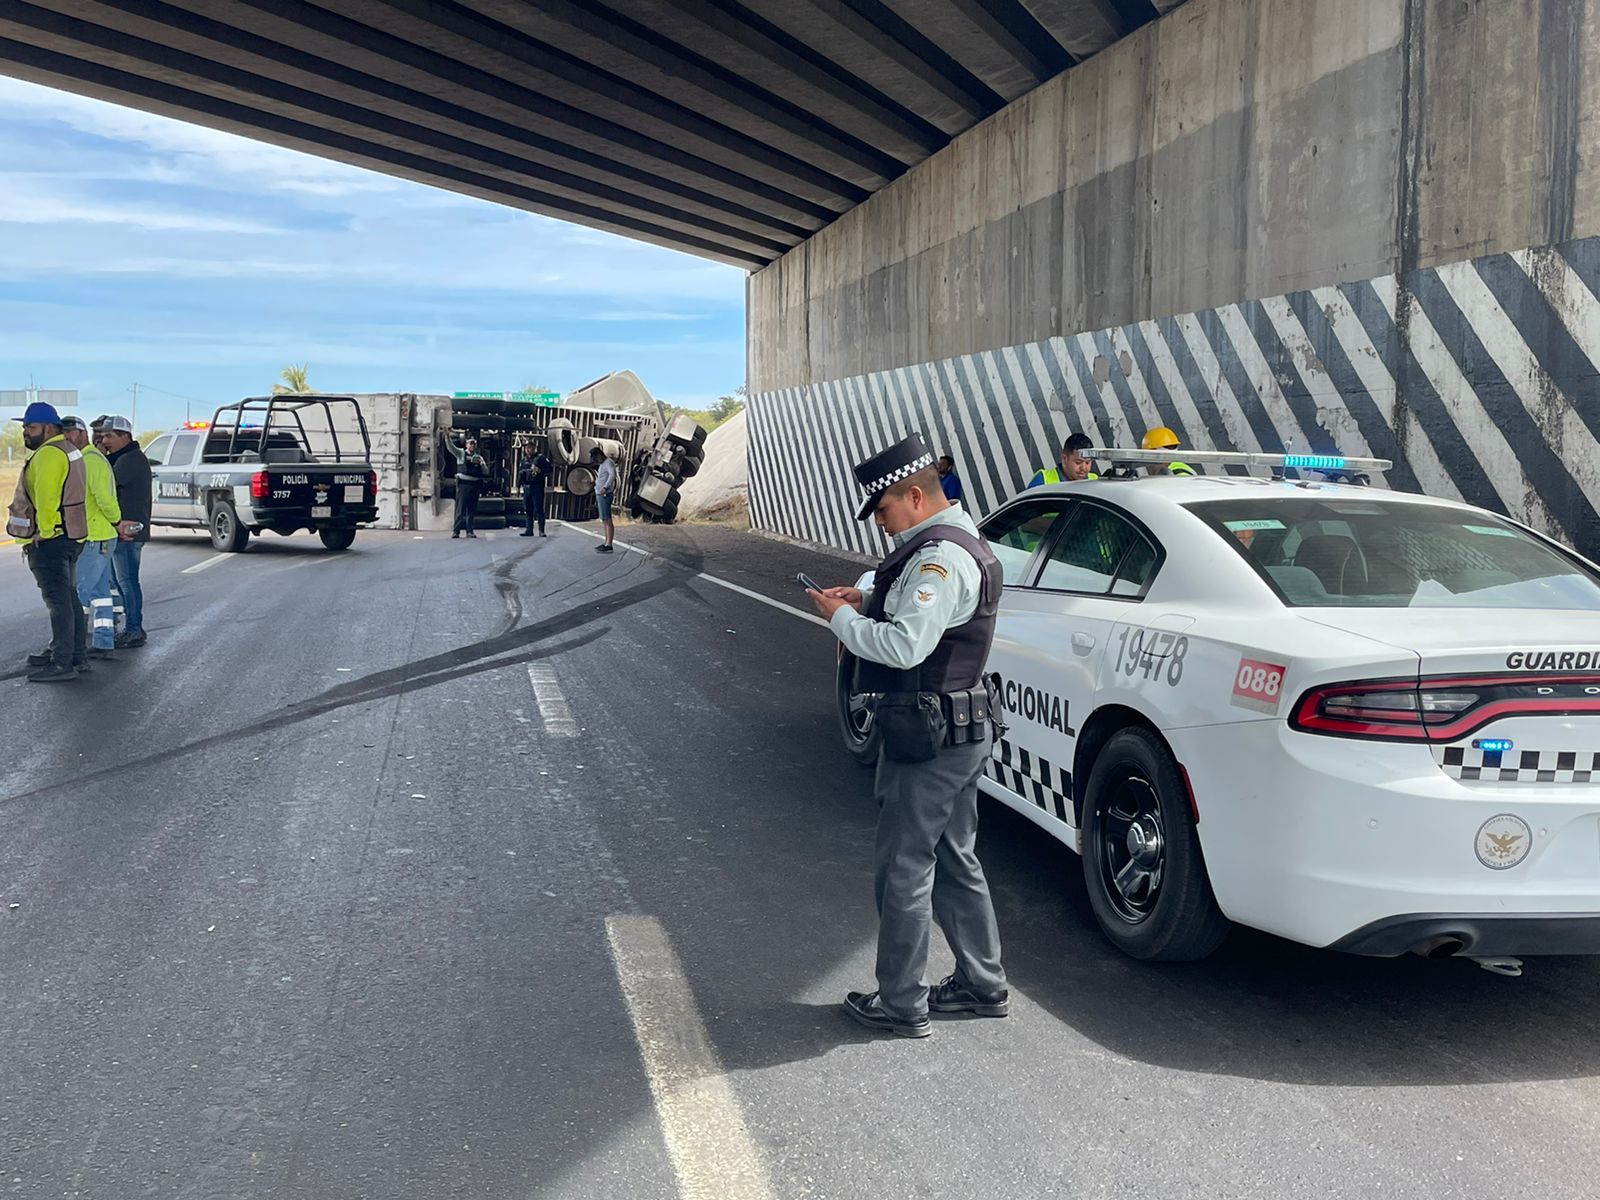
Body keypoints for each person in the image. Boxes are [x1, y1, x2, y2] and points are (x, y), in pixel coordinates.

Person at [808, 433, 1008, 1039]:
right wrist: (865, 597)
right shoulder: (954, 542)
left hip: (929, 737)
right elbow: (927, 614)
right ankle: (981, 982)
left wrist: (839, 617)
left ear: (914, 495)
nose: (882, 523)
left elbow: (904, 645)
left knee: (904, 867)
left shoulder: (936, 559)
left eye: (885, 509)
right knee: (954, 858)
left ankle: (901, 1002)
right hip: (960, 729)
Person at [7, 402, 89, 682]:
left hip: (52, 540)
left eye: (30, 427)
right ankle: (77, 655)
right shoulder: (69, 449)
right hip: (73, 534)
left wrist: (45, 531)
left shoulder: (49, 455)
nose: (25, 433)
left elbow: (47, 497)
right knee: (69, 597)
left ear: (49, 428)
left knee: (58, 602)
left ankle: (62, 663)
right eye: (25, 428)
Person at [58, 416, 125, 660]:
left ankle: (72, 646)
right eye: (63, 433)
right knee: (99, 592)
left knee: (80, 593)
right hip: (101, 536)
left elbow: (104, 498)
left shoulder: (89, 461)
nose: (66, 438)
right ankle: (104, 640)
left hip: (95, 536)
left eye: (70, 433)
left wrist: (117, 521)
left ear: (82, 434)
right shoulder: (86, 459)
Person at [92, 414, 151, 648]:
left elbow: (104, 485)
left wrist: (99, 456)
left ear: (125, 436)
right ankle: (131, 627)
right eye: (102, 435)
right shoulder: (122, 458)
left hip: (128, 530)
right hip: (123, 529)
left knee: (127, 581)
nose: (104, 440)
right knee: (121, 581)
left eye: (109, 436)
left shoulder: (130, 460)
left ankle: (134, 629)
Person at [448, 435, 487, 539]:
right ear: (466, 445)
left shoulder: (479, 457)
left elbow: (486, 471)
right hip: (463, 485)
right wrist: (447, 436)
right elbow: (450, 447)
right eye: (470, 443)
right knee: (460, 510)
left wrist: (481, 464)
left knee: (471, 510)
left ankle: (470, 531)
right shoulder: (461, 454)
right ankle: (456, 531)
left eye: (474, 444)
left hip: (474, 486)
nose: (472, 446)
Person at [1027, 431, 1098, 486]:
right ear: (1064, 459)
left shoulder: (1094, 481)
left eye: (1087, 462)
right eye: (1078, 462)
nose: (1084, 468)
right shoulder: (1043, 480)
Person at [518, 440, 552, 537]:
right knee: (528, 509)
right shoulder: (524, 460)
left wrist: (540, 471)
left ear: (534, 448)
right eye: (526, 448)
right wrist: (518, 486)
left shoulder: (540, 458)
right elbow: (521, 473)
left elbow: (549, 469)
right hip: (527, 487)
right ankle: (529, 530)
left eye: (530, 447)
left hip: (537, 486)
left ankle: (541, 530)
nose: (528, 449)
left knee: (538, 509)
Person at [591, 446, 616, 553]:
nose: (595, 461)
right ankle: (606, 542)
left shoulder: (608, 463)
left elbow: (612, 475)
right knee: (604, 519)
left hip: (605, 493)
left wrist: (605, 487)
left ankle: (609, 543)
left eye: (595, 458)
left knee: (607, 518)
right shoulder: (602, 465)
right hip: (600, 493)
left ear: (599, 455)